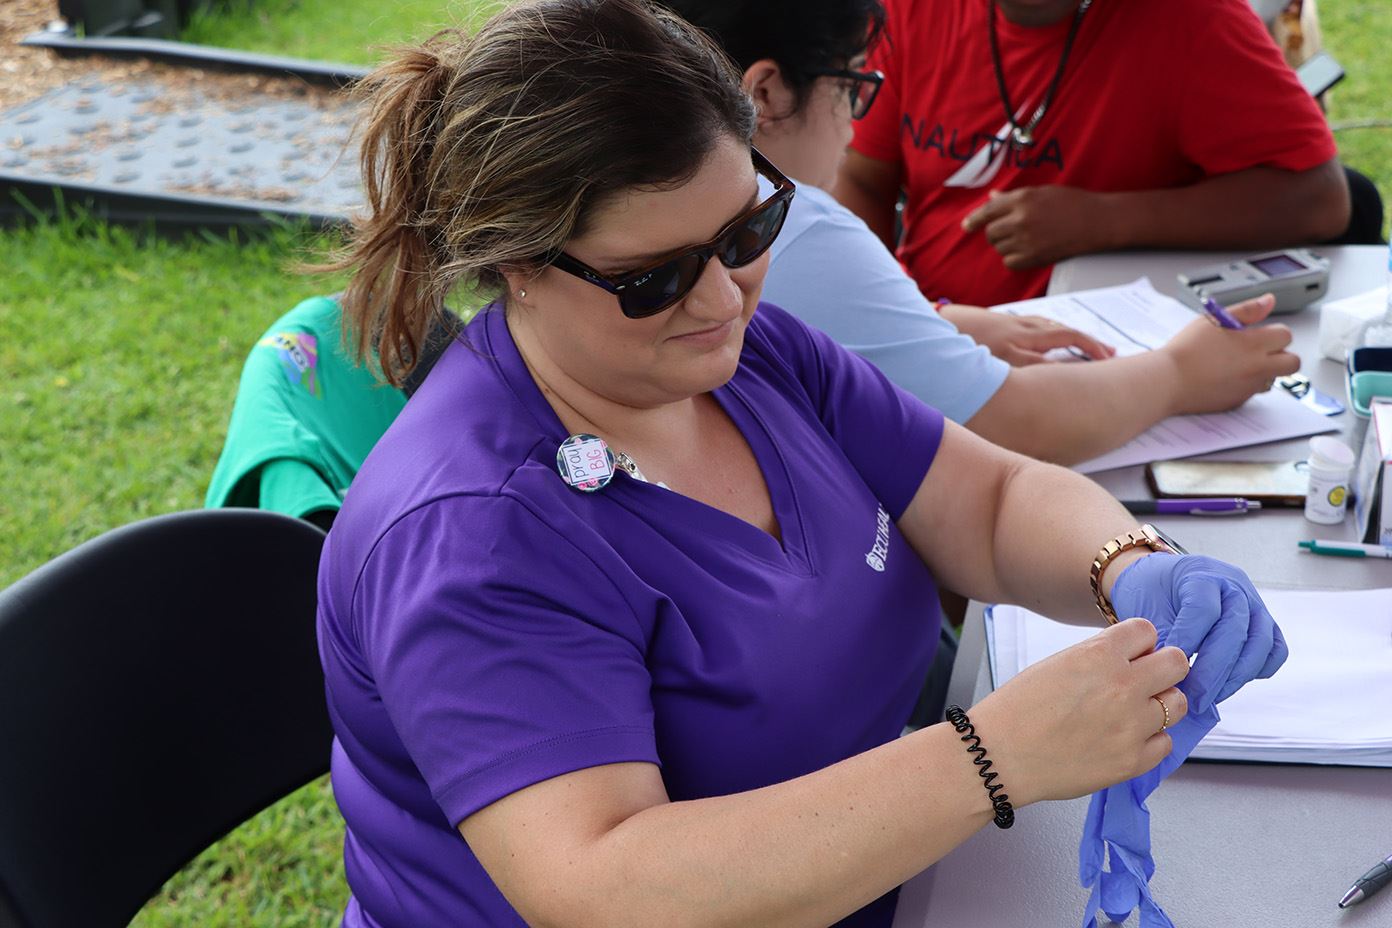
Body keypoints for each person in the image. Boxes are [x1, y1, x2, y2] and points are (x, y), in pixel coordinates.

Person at [316, 2, 1286, 926]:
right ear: (519, 264)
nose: (721, 298)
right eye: (653, 279)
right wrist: (990, 759)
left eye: (747, 232)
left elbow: (986, 499)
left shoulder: (750, 358)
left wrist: (1124, 560)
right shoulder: (472, 532)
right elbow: (604, 887)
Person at [661, 0, 1301, 464]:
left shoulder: (648, 188)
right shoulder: (794, 224)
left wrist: (934, 323)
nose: (860, 121)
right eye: (855, 84)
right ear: (766, 94)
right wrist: (1180, 375)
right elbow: (1018, 423)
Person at [834, 0, 1353, 307]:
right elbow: (861, 180)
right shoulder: (909, 12)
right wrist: (888, 304)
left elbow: (1319, 197)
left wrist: (1103, 220)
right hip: (932, 330)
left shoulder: (1194, 19)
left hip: (1108, 355)